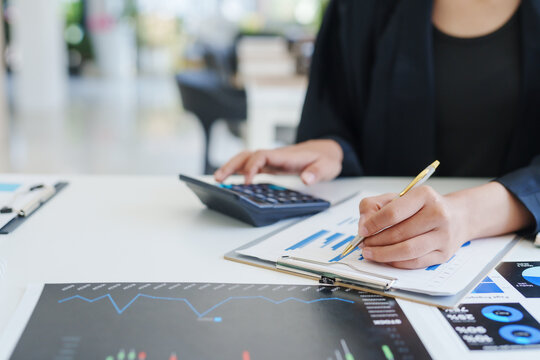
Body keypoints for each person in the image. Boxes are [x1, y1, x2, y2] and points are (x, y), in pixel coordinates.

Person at [214, 0, 539, 269]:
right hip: (374, 264)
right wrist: (331, 149)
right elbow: (338, 115)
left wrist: (465, 215)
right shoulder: (356, 8)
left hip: (511, 257)